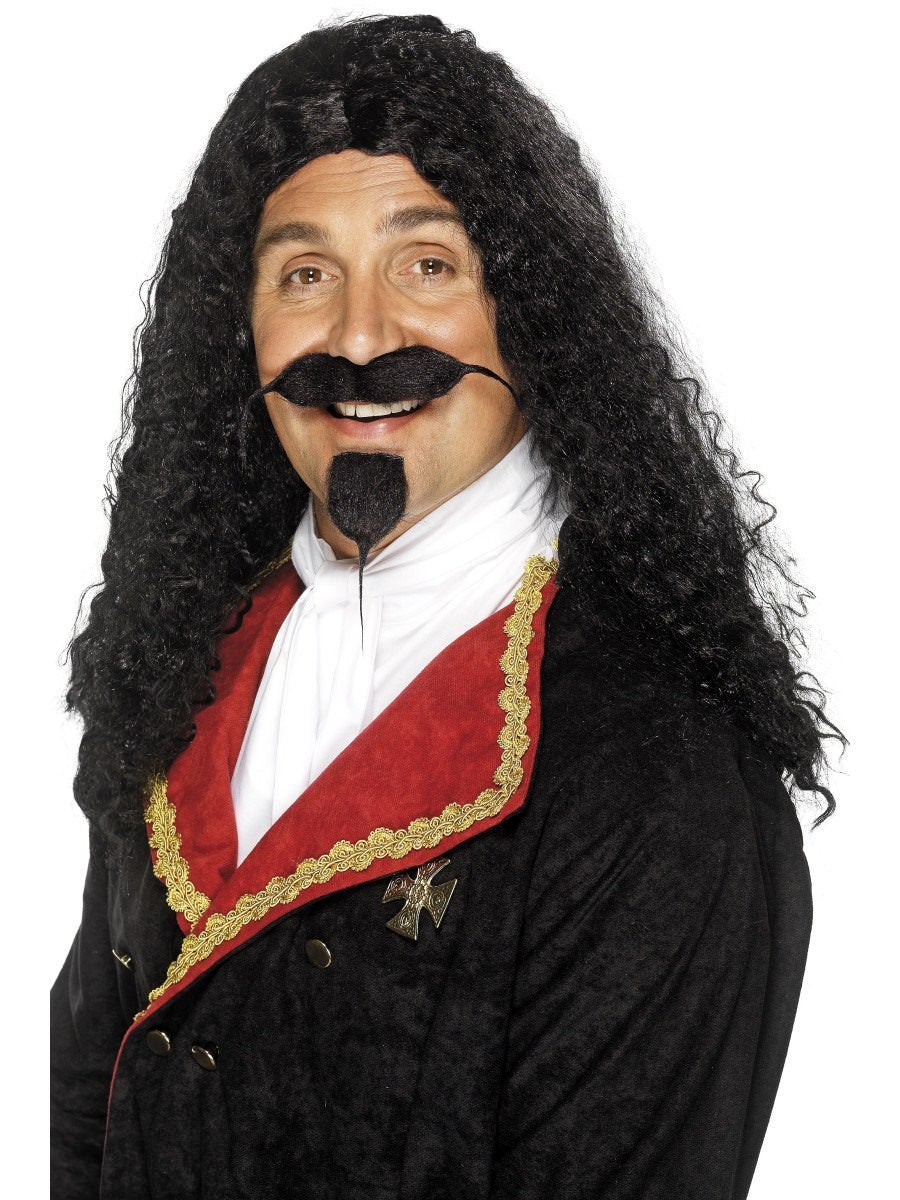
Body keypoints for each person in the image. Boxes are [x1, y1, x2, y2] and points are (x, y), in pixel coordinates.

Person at [50, 14, 844, 1199]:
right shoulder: (182, 663)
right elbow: (82, 1108)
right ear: (240, 327)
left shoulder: (659, 770)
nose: (360, 335)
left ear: (530, 311)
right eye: (305, 274)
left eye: (426, 265)